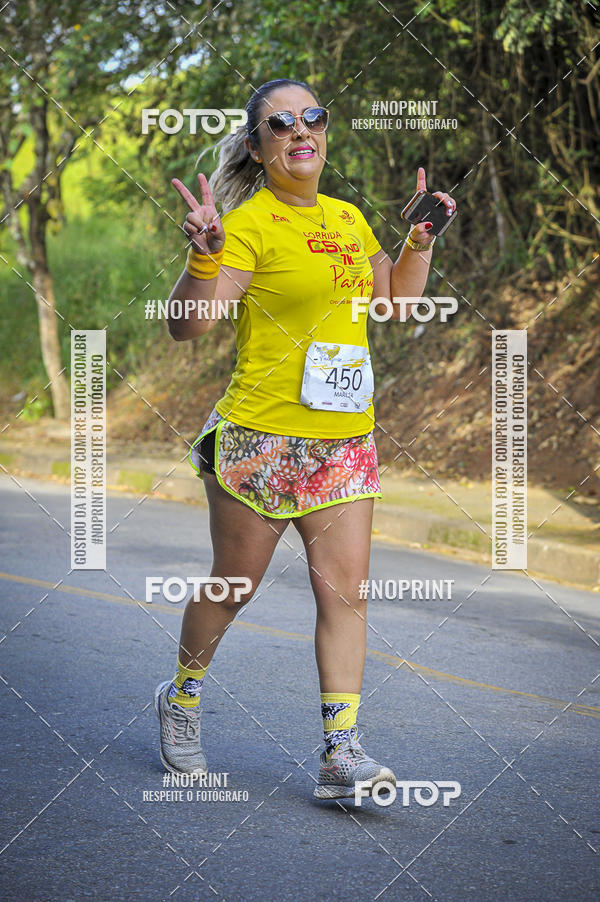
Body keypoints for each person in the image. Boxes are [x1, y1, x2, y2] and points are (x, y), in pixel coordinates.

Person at [154, 78, 456, 800]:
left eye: (311, 117)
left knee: (345, 595)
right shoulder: (249, 225)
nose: (300, 130)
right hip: (259, 437)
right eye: (280, 123)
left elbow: (394, 301)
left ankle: (340, 753)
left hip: (343, 442)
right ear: (259, 149)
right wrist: (203, 257)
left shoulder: (350, 220)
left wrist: (416, 242)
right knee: (234, 587)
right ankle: (183, 697)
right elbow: (187, 324)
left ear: (325, 132)